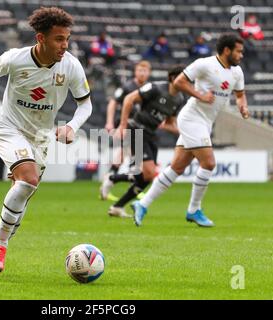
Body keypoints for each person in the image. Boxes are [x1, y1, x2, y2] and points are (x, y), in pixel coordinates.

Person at [0, 7, 92, 276]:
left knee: (24, 193)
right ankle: (1, 245)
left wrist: (72, 126)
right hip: (9, 128)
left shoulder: (71, 65)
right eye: (59, 39)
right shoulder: (16, 59)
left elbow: (85, 105)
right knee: (28, 180)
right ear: (41, 38)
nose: (64, 45)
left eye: (67, 38)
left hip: (40, 137)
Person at [132, 33, 249, 227]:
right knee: (209, 163)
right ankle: (194, 209)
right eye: (238, 51)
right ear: (227, 50)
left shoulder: (237, 72)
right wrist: (200, 95)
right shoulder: (205, 64)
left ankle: (142, 204)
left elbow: (240, 95)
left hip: (206, 122)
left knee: (177, 167)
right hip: (192, 118)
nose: (241, 55)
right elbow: (179, 82)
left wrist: (242, 106)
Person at [100, 65, 186, 218]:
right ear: (174, 78)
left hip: (151, 133)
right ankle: (113, 179)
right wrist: (123, 125)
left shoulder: (179, 99)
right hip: (137, 129)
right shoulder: (156, 88)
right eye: (185, 78)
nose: (188, 83)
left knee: (148, 177)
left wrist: (185, 131)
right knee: (149, 172)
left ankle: (117, 203)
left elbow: (168, 123)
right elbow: (128, 99)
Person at [101, 60, 152, 201]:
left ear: (149, 73)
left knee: (125, 155)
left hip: (140, 126)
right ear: (135, 72)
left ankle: (109, 182)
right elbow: (113, 103)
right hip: (127, 124)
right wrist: (110, 122)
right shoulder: (127, 86)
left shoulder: (149, 88)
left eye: (145, 71)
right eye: (139, 70)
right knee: (134, 157)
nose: (142, 73)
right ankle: (122, 184)